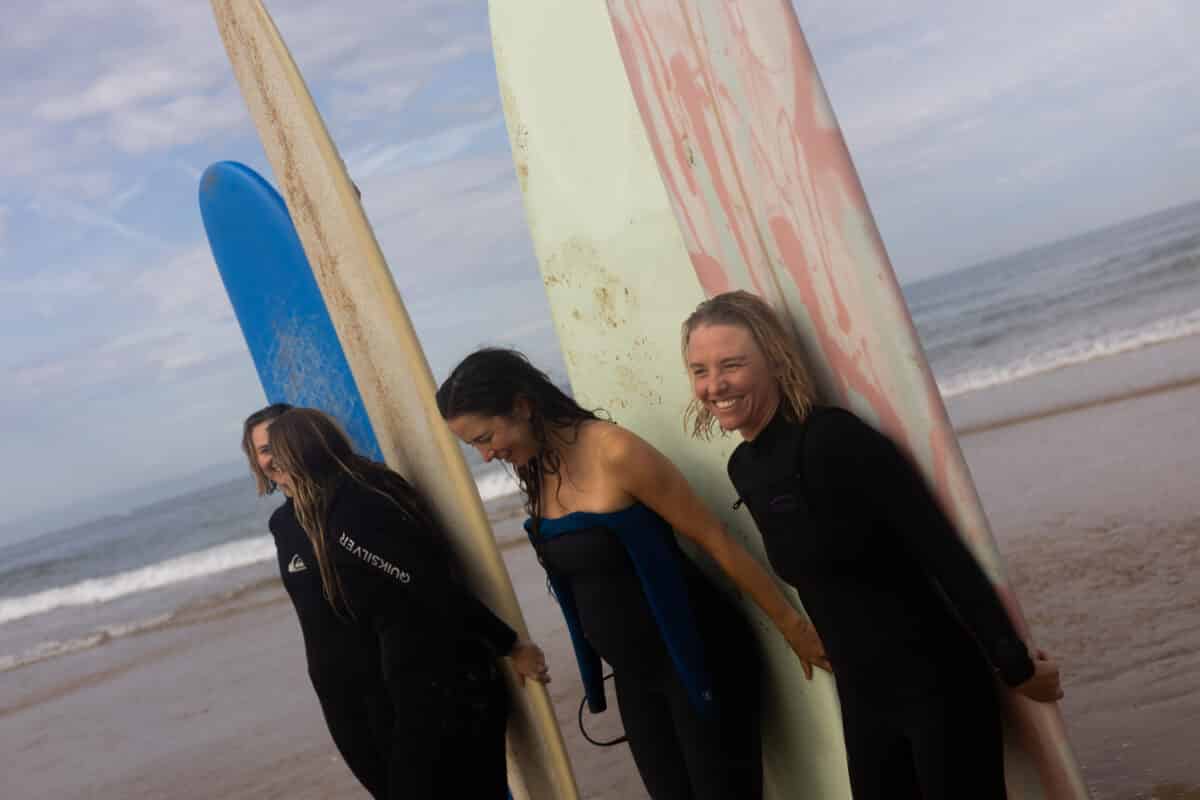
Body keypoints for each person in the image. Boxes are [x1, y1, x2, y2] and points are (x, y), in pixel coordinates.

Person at [681, 290, 1064, 800]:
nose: (714, 385)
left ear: (774, 360)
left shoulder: (835, 439)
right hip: (863, 699)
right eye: (700, 370)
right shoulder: (745, 469)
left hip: (937, 683)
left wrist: (1014, 664)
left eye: (731, 365)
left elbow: (941, 550)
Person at [438, 348, 829, 800]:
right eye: (474, 447)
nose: (486, 455)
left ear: (523, 407)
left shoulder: (614, 450)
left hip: (696, 658)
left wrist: (792, 625)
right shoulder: (539, 469)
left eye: (486, 437)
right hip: (637, 680)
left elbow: (713, 537)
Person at [257, 406, 549, 799]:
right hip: (384, 688)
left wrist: (510, 645)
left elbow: (428, 585)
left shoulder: (352, 510)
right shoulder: (306, 517)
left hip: (438, 681)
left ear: (304, 457)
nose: (273, 472)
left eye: (278, 462)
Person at [243, 402, 391, 798]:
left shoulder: (351, 502)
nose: (273, 457)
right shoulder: (282, 524)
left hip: (385, 673)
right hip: (332, 683)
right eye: (263, 449)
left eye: (279, 443)